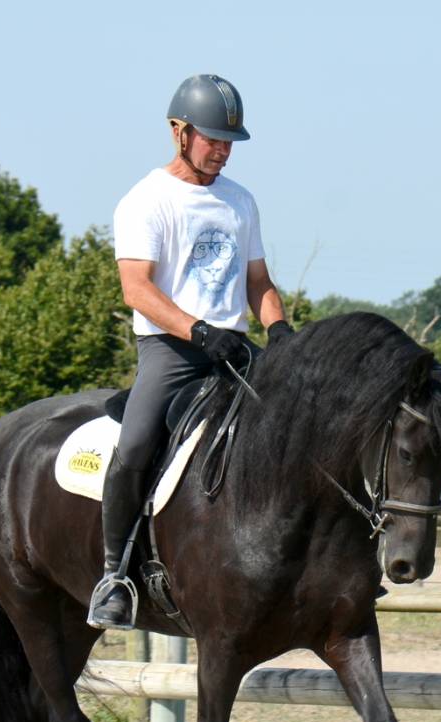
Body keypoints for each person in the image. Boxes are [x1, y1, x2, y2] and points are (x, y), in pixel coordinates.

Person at [87, 73, 293, 631]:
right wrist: (198, 331)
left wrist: (279, 332)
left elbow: (258, 281)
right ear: (179, 132)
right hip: (171, 351)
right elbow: (138, 289)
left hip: (233, 348)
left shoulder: (240, 201)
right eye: (212, 139)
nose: (222, 150)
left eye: (229, 142)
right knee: (134, 444)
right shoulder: (146, 200)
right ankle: (114, 576)